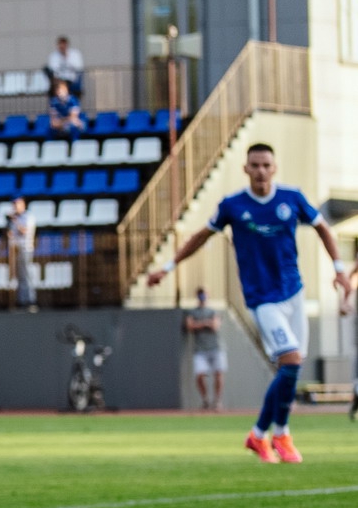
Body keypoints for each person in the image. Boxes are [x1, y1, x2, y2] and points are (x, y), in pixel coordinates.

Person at [148, 143, 352, 462]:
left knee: (289, 371)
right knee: (292, 361)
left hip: (294, 294)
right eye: (254, 165)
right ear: (245, 169)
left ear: (275, 168)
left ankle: (260, 436)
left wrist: (339, 270)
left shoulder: (291, 198)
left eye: (265, 165)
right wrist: (168, 267)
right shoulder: (232, 206)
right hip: (262, 299)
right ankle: (279, 434)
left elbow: (323, 229)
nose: (260, 171)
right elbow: (201, 236)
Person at [184, 288, 226, 411]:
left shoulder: (213, 311)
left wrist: (201, 324)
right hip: (200, 349)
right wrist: (206, 323)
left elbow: (215, 326)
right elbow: (190, 326)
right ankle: (205, 400)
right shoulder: (192, 312)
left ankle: (217, 401)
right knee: (200, 375)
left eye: (204, 294)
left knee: (218, 373)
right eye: (200, 294)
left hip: (216, 348)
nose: (202, 296)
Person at [7, 196, 37, 311]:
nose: (14, 206)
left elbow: (24, 231)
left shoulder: (28, 216)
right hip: (16, 250)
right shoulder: (15, 218)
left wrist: (15, 220)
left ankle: (31, 300)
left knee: (27, 274)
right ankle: (22, 301)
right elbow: (11, 234)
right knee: (20, 276)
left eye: (17, 204)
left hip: (26, 249)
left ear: (23, 204)